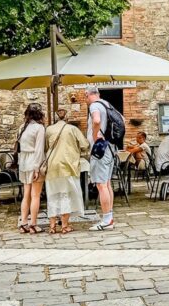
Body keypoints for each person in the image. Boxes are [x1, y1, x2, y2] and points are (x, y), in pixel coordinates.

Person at [44, 108, 90, 234]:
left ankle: (52, 226)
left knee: (52, 195)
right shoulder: (73, 129)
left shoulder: (48, 129)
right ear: (67, 118)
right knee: (65, 195)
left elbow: (46, 147)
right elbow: (85, 145)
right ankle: (64, 226)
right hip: (68, 165)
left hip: (52, 166)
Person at [85, 88, 118, 231]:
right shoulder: (107, 104)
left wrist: (94, 134)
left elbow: (97, 120)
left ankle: (106, 220)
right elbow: (122, 120)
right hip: (110, 147)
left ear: (88, 95)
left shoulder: (94, 105)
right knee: (107, 183)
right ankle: (109, 217)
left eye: (85, 97)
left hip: (100, 149)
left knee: (101, 185)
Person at [17, 103, 46, 234]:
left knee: (26, 195)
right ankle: (33, 224)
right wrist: (37, 168)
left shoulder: (22, 128)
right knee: (36, 195)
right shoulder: (39, 128)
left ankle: (23, 222)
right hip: (34, 161)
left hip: (23, 162)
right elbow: (39, 150)